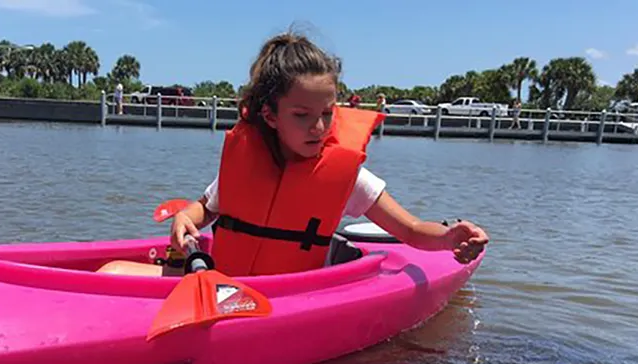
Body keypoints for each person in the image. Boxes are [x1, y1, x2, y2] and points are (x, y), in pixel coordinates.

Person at [99, 31, 488, 277]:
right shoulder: (248, 160)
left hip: (285, 299)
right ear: (270, 115)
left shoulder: (348, 177)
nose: (318, 127)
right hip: (218, 282)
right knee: (111, 272)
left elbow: (410, 231)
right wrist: (186, 216)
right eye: (301, 116)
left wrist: (448, 237)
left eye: (326, 114)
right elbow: (207, 207)